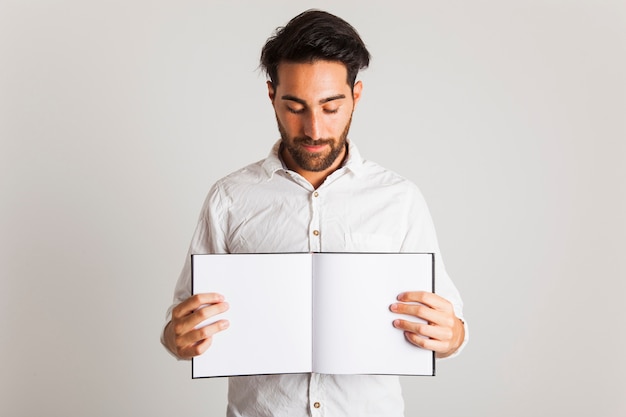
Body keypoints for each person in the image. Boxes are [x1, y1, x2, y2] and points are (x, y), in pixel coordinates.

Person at [162, 9, 467, 417]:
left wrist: (449, 336)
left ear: (356, 95)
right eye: (295, 106)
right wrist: (177, 337)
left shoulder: (399, 199)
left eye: (330, 106)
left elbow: (451, 326)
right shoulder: (229, 198)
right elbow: (181, 323)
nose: (314, 129)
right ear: (271, 95)